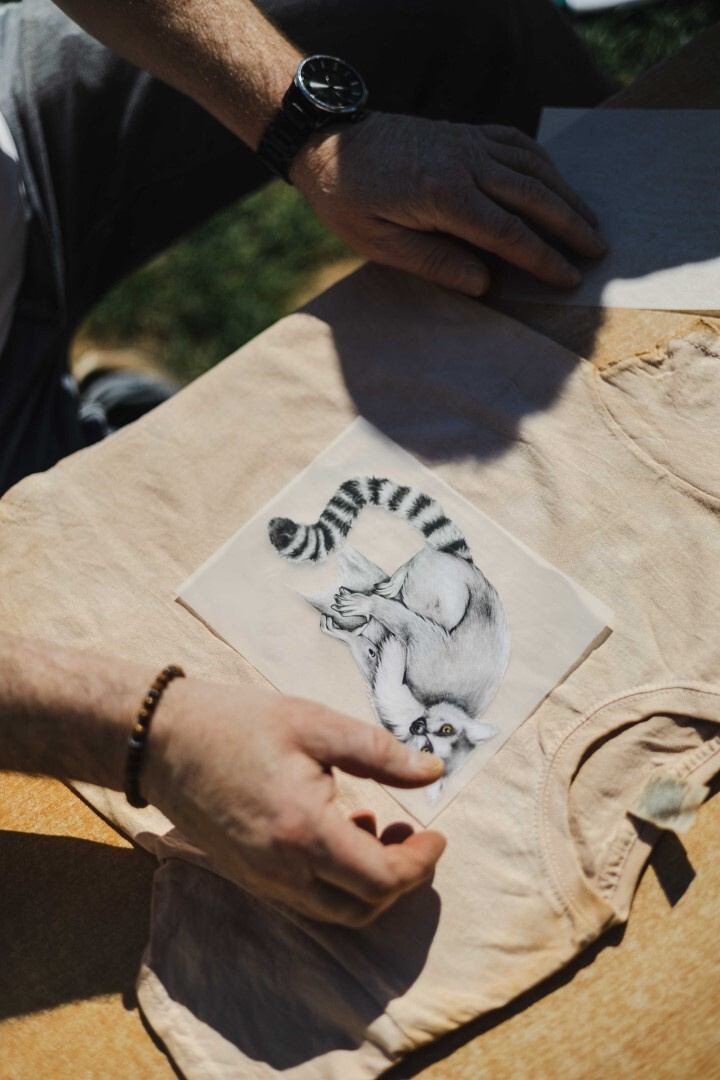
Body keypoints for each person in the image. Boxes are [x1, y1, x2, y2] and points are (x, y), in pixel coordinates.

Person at [0, 0, 612, 926]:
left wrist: (314, 130)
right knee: (193, 616)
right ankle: (100, 423)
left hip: (17, 150)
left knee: (467, 16)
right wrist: (152, 733)